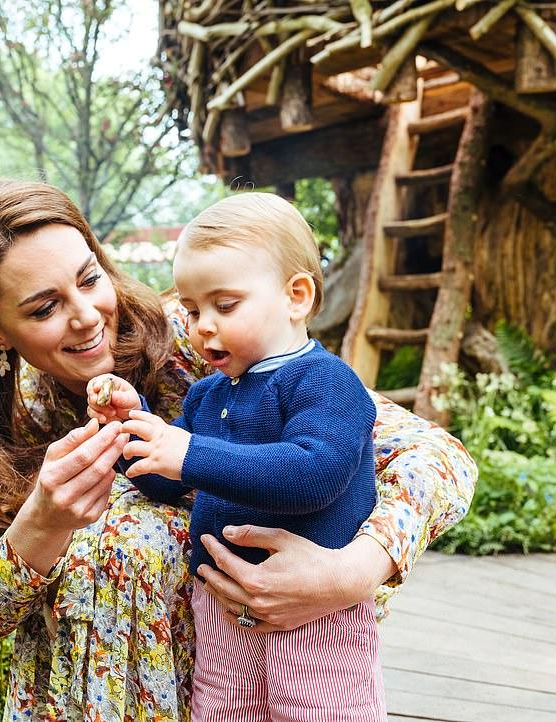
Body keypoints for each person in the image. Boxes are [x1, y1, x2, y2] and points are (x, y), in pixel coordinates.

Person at [0, 179, 477, 722]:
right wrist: (41, 524)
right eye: (44, 309)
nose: (86, 316)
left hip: (271, 661)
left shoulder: (208, 340)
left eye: (90, 280)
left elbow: (438, 456)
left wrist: (353, 573)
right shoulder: (6, 428)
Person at [86, 192, 384, 721]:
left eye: (225, 306)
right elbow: (165, 480)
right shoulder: (207, 395)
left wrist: (191, 454)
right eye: (193, 309)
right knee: (222, 709)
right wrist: (132, 429)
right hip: (220, 611)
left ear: (296, 297)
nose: (203, 325)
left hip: (312, 619)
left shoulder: (325, 382)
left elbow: (315, 473)